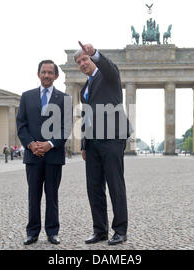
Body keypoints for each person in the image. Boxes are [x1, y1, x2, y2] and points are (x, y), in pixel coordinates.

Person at [75, 42, 132, 245]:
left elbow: (111, 68)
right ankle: (100, 230)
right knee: (94, 187)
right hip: (92, 143)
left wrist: (96, 53)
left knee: (115, 184)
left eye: (85, 59)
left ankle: (120, 230)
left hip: (112, 138)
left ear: (92, 59)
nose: (82, 63)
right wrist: (83, 143)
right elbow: (86, 116)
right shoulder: (85, 88)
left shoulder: (108, 76)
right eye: (79, 61)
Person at [16, 59, 71, 245]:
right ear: (38, 74)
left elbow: (66, 127)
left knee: (52, 196)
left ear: (56, 76)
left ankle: (52, 232)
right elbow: (21, 125)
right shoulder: (26, 96)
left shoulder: (64, 99)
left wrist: (50, 144)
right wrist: (31, 144)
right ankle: (32, 232)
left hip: (53, 155)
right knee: (33, 196)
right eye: (43, 72)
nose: (46, 75)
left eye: (50, 72)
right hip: (33, 155)